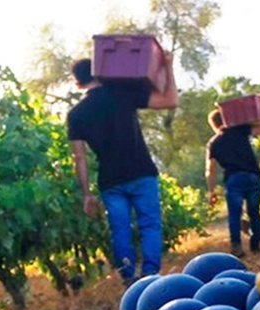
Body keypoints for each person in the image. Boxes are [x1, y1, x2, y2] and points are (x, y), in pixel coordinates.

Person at [67, 53, 178, 287]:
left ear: (78, 84)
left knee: (120, 230)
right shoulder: (122, 94)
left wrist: (87, 194)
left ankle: (129, 277)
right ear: (99, 73)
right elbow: (170, 100)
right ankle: (150, 276)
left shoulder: (75, 115)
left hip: (111, 181)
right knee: (150, 224)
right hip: (142, 172)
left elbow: (80, 157)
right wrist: (167, 67)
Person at [205, 95, 260, 258]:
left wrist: (211, 191)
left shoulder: (213, 143)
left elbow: (210, 170)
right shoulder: (239, 130)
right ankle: (256, 246)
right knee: (254, 213)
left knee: (234, 215)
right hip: (252, 177)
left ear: (214, 125)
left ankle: (237, 247)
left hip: (233, 179)